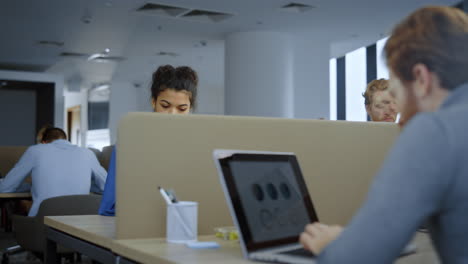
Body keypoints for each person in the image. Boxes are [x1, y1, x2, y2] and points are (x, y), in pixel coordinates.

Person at [300, 6, 468, 263]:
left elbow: (357, 258)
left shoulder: (435, 129)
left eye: (397, 91)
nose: (397, 110)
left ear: (421, 79)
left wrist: (333, 244)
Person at [98, 65, 198, 216]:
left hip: (189, 221)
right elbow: (109, 207)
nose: (172, 114)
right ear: (153, 102)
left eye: (182, 109)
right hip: (140, 222)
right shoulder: (130, 143)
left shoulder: (198, 145)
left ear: (190, 108)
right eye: (165, 106)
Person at [0, 127, 107, 216]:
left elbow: (7, 186)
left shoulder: (36, 150)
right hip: (79, 220)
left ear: (44, 142)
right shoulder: (87, 153)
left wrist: (29, 187)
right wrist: (87, 186)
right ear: (67, 140)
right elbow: (107, 186)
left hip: (43, 219)